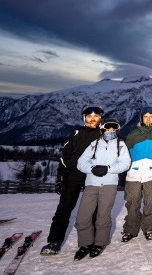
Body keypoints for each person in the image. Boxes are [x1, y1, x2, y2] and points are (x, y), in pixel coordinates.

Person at [40, 105, 105, 255]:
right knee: (64, 208)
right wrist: (61, 178)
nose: (92, 119)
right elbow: (64, 158)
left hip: (92, 175)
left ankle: (93, 241)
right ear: (84, 118)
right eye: (89, 117)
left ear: (100, 118)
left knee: (93, 209)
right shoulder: (76, 134)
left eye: (96, 116)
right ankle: (54, 241)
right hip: (74, 175)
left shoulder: (104, 134)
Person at [73, 118, 131, 259]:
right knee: (83, 216)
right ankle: (86, 244)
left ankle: (99, 243)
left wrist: (109, 169)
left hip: (109, 184)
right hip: (91, 184)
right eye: (107, 129)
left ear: (117, 131)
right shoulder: (94, 144)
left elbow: (126, 164)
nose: (110, 132)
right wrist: (92, 169)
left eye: (113, 130)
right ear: (102, 130)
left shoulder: (121, 145)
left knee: (103, 216)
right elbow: (80, 163)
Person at [121, 106, 152, 242]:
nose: (148, 119)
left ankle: (149, 227)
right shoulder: (133, 134)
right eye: (145, 116)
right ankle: (130, 229)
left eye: (151, 116)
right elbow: (126, 152)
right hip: (134, 173)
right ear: (141, 118)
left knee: (151, 201)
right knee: (132, 202)